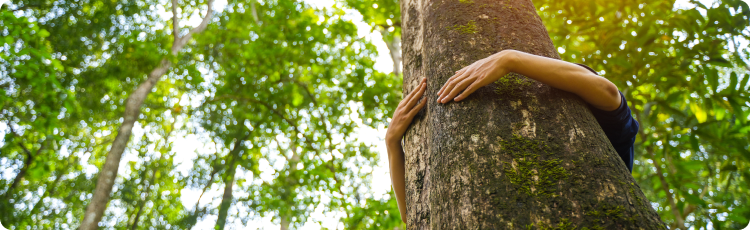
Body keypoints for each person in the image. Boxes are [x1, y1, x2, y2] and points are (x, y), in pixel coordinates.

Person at [385, 49, 639, 223]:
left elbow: (606, 91)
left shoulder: (613, 139)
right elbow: (413, 215)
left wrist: (510, 59)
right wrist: (392, 143)